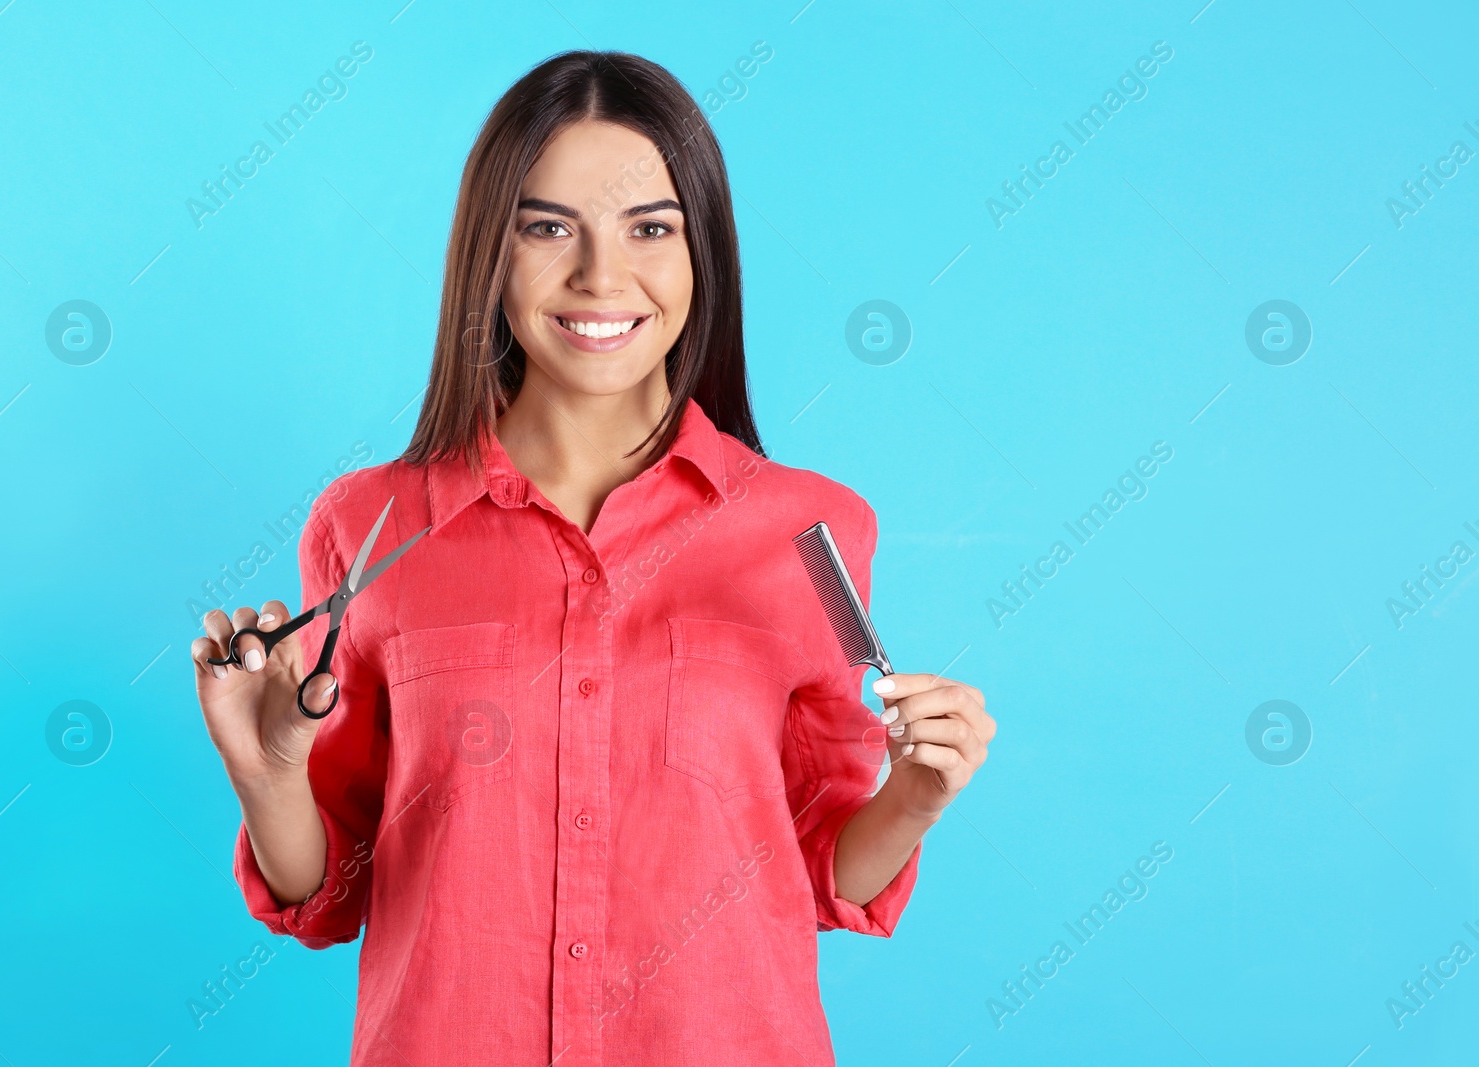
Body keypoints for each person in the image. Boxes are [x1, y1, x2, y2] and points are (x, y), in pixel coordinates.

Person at [191, 49, 994, 1067]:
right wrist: (266, 778)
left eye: (649, 228)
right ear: (490, 248)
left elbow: (822, 863)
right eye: (546, 227)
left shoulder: (812, 530)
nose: (599, 277)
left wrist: (915, 796)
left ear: (702, 249)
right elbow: (330, 888)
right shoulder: (369, 526)